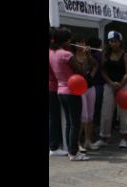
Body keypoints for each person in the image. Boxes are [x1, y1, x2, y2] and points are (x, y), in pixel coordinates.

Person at [49, 27, 89, 161]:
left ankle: (70, 150)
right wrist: (84, 55)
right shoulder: (67, 55)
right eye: (69, 40)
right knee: (75, 123)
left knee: (68, 123)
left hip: (60, 90)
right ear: (65, 41)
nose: (70, 42)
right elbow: (82, 71)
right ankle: (73, 152)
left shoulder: (52, 53)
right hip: (71, 90)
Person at [98, 31, 127, 149]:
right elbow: (103, 71)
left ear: (120, 42)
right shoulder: (105, 55)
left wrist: (120, 85)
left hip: (123, 86)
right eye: (111, 41)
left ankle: (123, 138)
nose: (113, 43)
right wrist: (111, 83)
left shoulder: (125, 56)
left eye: (115, 41)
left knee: (124, 113)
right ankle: (104, 137)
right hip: (109, 85)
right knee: (106, 112)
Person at [49, 28, 66, 157]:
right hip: (53, 87)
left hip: (53, 87)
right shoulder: (54, 53)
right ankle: (54, 146)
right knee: (54, 117)